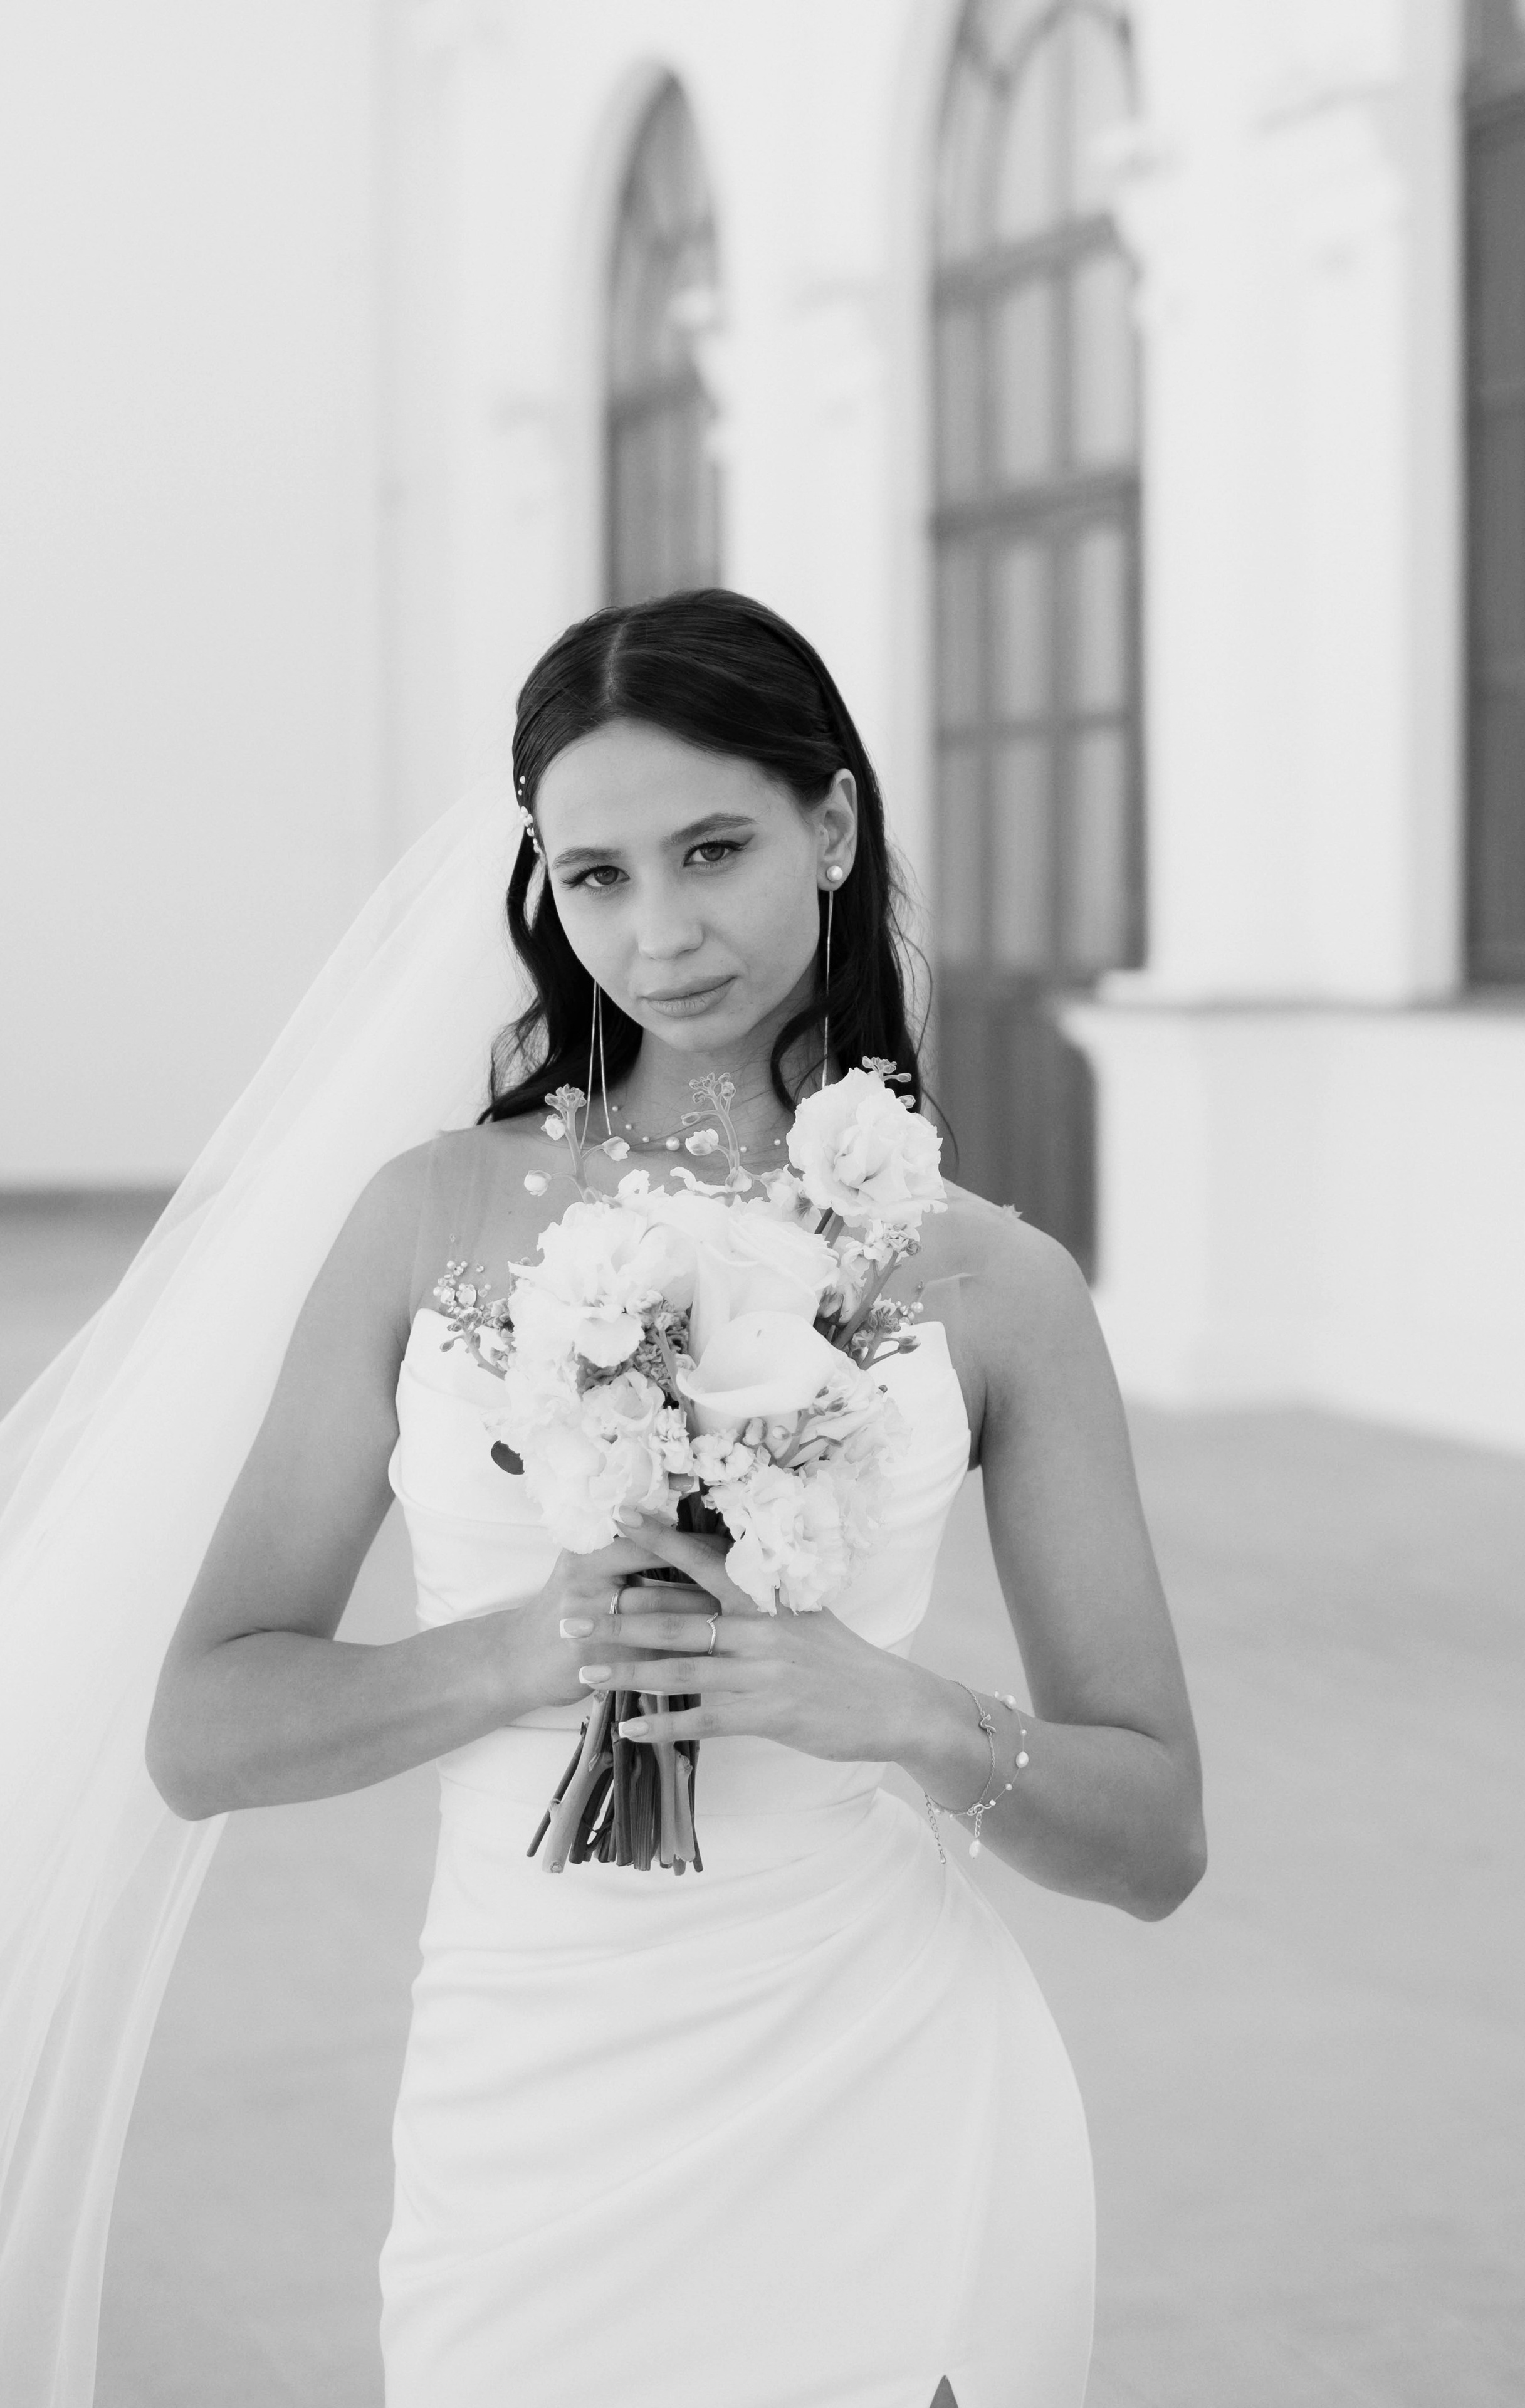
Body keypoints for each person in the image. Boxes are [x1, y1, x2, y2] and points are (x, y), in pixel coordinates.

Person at [144, 589, 1205, 2408]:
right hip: (530, 2117)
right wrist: (509, 1658)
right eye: (597, 875)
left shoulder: (993, 1283)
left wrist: (907, 1714)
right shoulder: (430, 1217)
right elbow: (202, 1725)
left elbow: (1158, 1834)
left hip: (875, 2086)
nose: (660, 930)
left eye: (712, 849)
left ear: (836, 826)